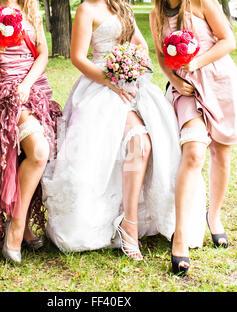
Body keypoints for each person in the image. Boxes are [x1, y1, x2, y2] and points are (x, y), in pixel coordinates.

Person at [42, 0, 206, 261]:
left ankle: (133, 221)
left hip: (132, 84)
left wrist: (130, 65)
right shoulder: (87, 9)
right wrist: (110, 78)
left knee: (149, 144)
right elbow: (77, 57)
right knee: (139, 142)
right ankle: (129, 225)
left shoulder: (120, 7)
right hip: (100, 88)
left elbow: (140, 45)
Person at [150, 0, 237, 275]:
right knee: (195, 152)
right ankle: (181, 236)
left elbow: (227, 41)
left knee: (221, 153)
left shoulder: (202, 2)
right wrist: (175, 81)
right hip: (186, 89)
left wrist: (195, 61)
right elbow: (161, 56)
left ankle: (214, 215)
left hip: (218, 80)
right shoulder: (156, 13)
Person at [0, 0, 61, 263]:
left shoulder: (30, 6)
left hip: (37, 89)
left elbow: (42, 54)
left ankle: (23, 226)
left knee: (28, 159)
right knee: (38, 152)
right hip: (8, 92)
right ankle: (16, 230)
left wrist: (28, 84)